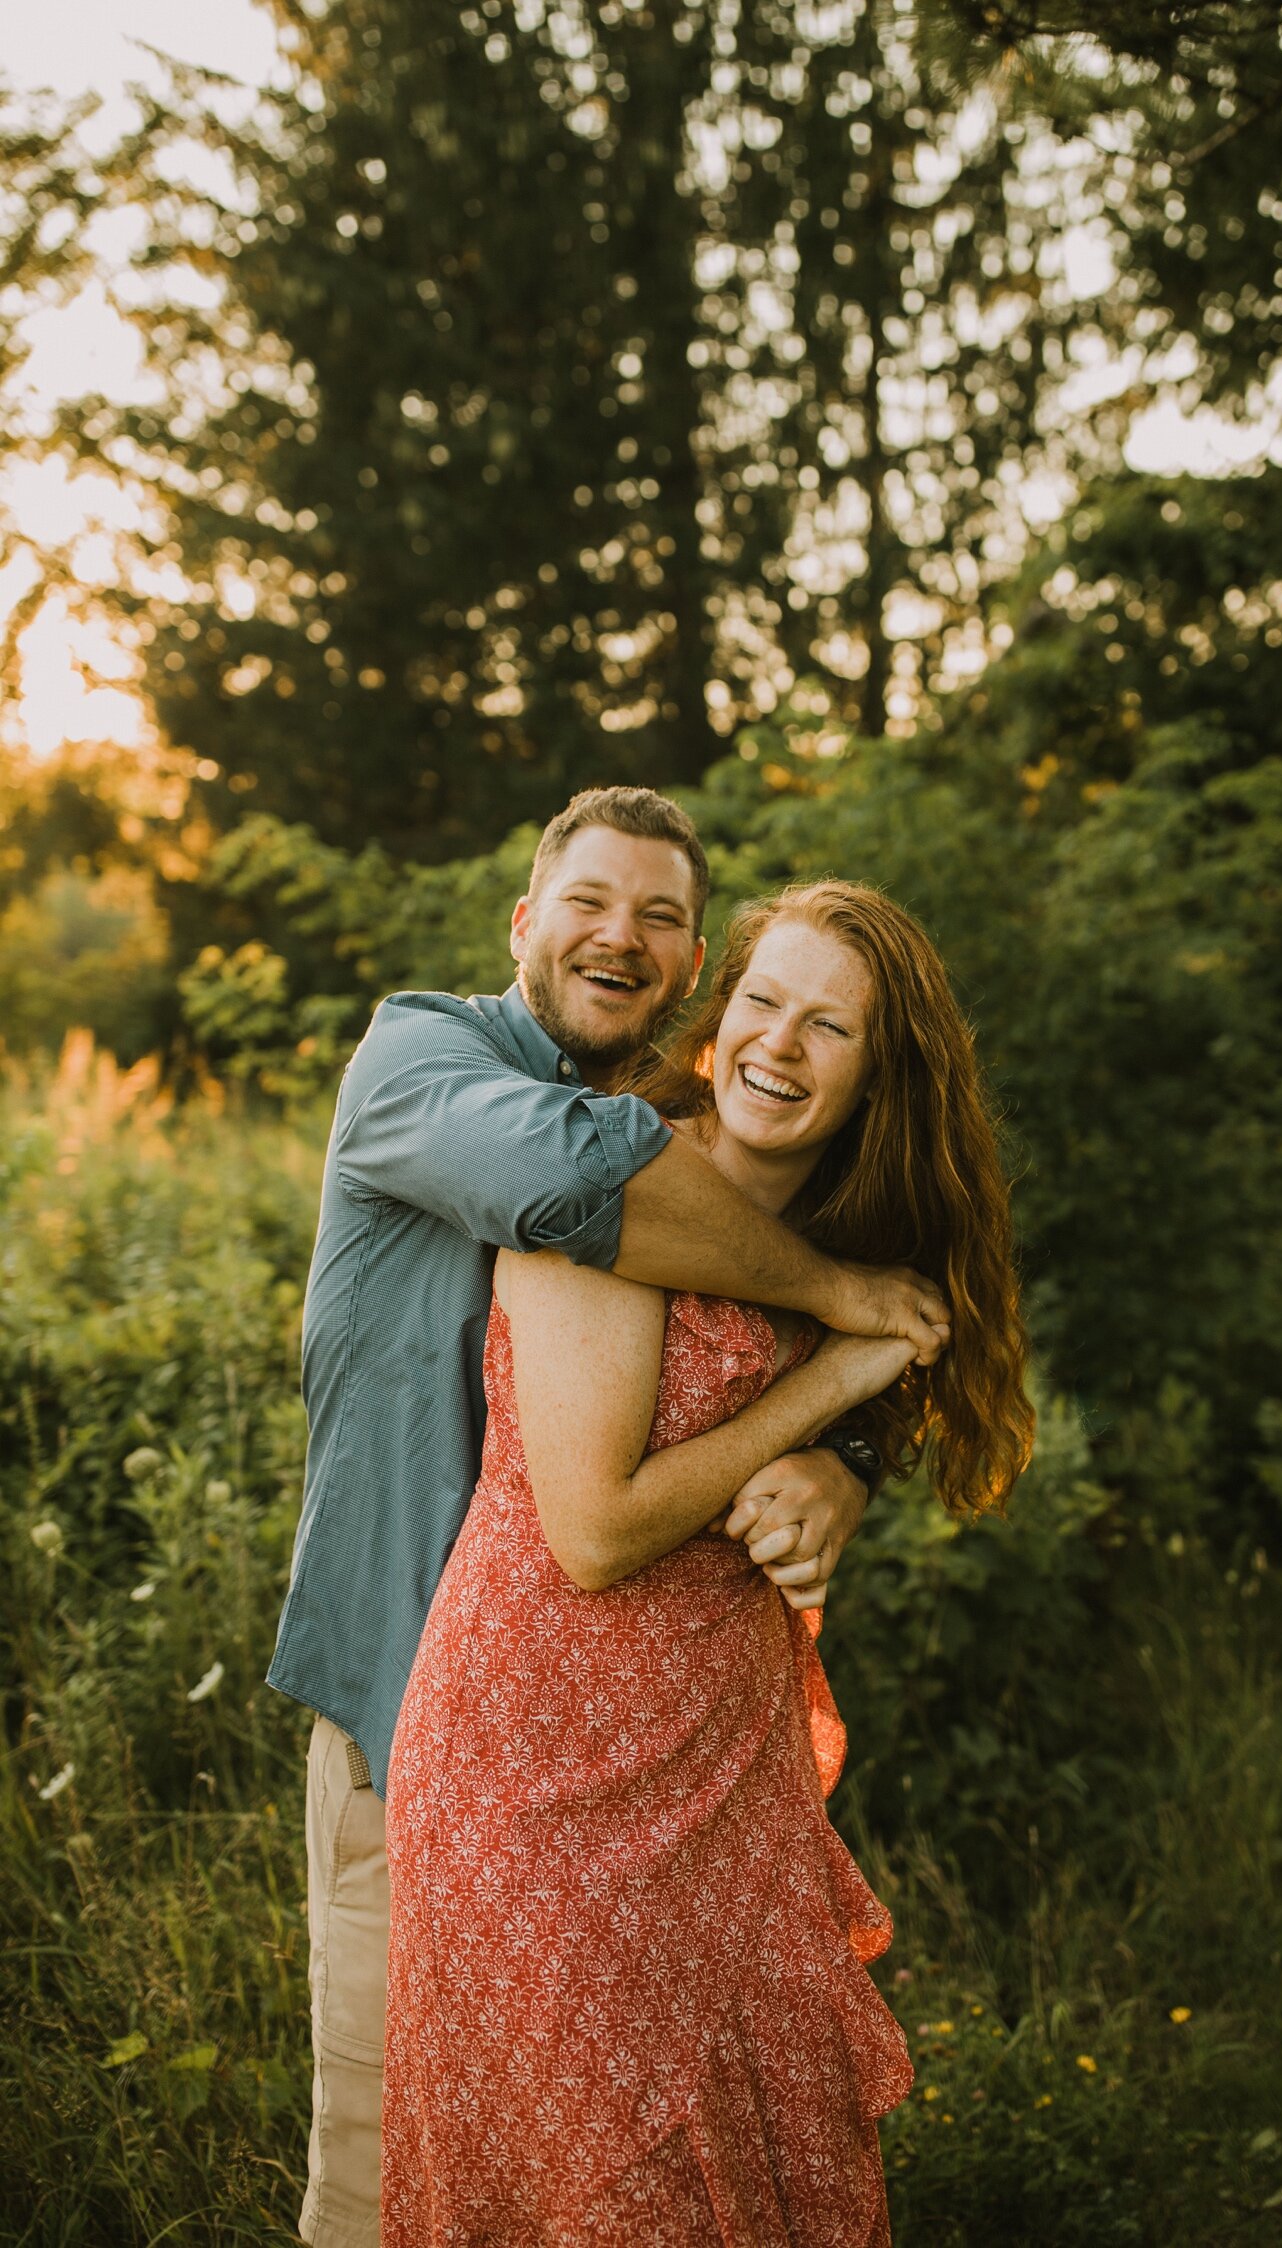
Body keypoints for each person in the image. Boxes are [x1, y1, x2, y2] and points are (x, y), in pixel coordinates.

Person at [268, 789, 952, 2248]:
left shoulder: (707, 1143)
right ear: (524, 921)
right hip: (416, 1710)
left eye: (658, 918)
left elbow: (853, 1317)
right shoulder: (424, 1062)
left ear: (689, 966)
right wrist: (835, 1314)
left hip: (647, 1757)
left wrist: (852, 1459)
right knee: (386, 2175)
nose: (618, 938)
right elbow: (579, 1188)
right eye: (587, 902)